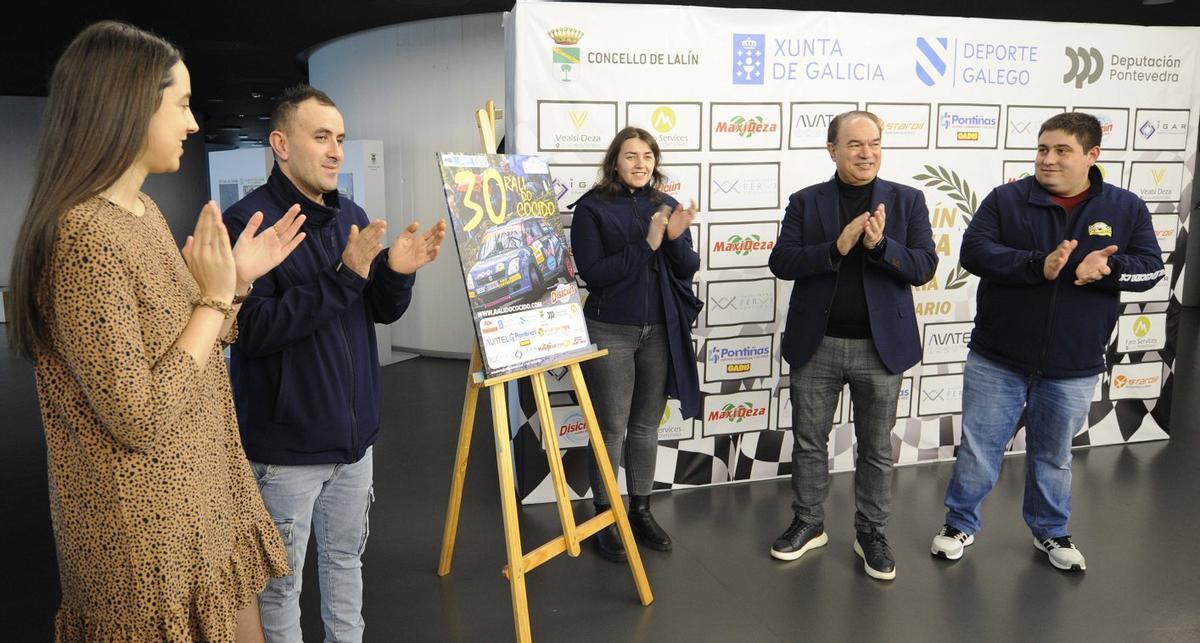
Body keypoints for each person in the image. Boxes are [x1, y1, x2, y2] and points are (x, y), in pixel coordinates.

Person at [7, 21, 307, 641]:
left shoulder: (140, 212)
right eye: (182, 104)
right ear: (127, 105)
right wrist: (215, 298)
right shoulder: (84, 237)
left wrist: (231, 288)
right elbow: (138, 416)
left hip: (202, 500)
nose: (194, 123)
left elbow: (188, 347)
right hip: (145, 537)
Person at [222, 84, 446, 641]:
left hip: (354, 442)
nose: (335, 151)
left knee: (346, 564)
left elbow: (378, 312)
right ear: (280, 143)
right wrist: (345, 275)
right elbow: (252, 332)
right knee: (279, 586)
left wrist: (395, 272)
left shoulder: (350, 213)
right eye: (320, 137)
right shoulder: (247, 222)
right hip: (285, 451)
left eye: (340, 139)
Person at [931, 112, 1164, 572]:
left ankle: (1051, 532)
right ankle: (959, 523)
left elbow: (1151, 267)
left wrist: (1107, 270)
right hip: (999, 356)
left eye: (1061, 150)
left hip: (1074, 362)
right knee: (979, 448)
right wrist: (1041, 265)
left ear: (1092, 156)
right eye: (1042, 149)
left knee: (1053, 455)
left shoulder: (1125, 207)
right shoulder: (1007, 199)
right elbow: (974, 252)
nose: (1048, 159)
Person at [768, 111, 937, 581]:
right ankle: (809, 522)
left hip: (880, 349)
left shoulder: (907, 201)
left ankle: (872, 532)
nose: (867, 153)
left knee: (877, 448)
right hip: (816, 345)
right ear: (832, 149)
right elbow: (781, 261)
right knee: (808, 442)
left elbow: (924, 266)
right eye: (856, 144)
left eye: (875, 143)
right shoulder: (806, 202)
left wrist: (881, 247)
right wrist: (835, 248)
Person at [569, 126, 701, 562]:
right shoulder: (591, 207)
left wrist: (677, 237)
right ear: (614, 162)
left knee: (645, 426)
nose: (640, 163)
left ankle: (640, 510)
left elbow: (686, 269)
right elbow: (596, 273)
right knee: (610, 428)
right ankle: (606, 515)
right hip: (610, 329)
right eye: (631, 156)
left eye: (647, 156)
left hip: (659, 330)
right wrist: (648, 243)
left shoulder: (666, 204)